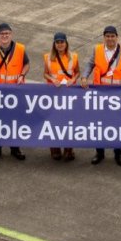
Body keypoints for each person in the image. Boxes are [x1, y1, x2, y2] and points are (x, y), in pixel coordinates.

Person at [83, 25, 121, 166]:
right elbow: (89, 64)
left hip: (118, 95)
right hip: (100, 94)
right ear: (104, 37)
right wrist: (84, 77)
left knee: (117, 125)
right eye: (108, 36)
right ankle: (99, 153)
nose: (110, 39)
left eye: (113, 36)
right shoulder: (97, 50)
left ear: (117, 37)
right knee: (99, 124)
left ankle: (118, 154)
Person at [0, 23, 29, 161]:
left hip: (13, 93)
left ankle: (15, 148)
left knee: (13, 122)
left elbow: (26, 64)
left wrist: (22, 75)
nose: (5, 36)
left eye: (7, 33)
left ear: (11, 34)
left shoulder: (20, 49)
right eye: (2, 34)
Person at [42, 32, 80, 161]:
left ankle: (68, 150)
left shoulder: (74, 57)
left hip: (68, 95)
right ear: (54, 44)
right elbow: (45, 74)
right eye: (57, 42)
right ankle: (55, 149)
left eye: (62, 42)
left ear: (66, 43)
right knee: (53, 122)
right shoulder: (47, 57)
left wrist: (72, 79)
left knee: (68, 122)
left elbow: (78, 72)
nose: (60, 44)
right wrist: (52, 80)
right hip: (53, 93)